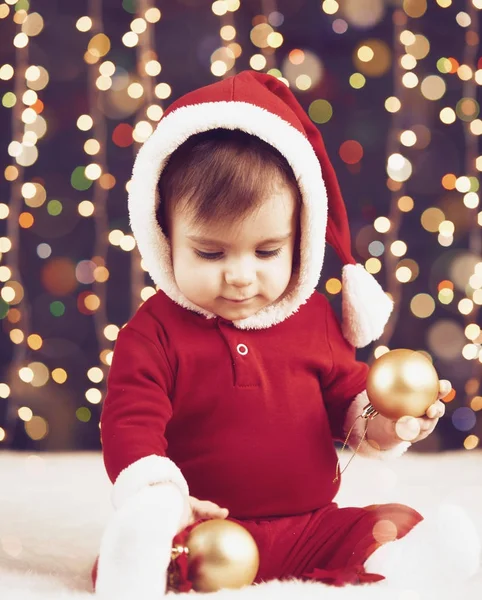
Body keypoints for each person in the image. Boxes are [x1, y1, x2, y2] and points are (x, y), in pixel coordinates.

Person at [92, 71, 480, 599]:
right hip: (206, 531)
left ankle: (429, 556)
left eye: (266, 251)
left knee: (390, 522)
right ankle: (136, 560)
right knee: (156, 549)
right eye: (211, 253)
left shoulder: (314, 320)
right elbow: (130, 426)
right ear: (163, 235)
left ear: (301, 237)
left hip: (310, 526)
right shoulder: (154, 333)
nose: (241, 275)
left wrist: (387, 425)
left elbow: (349, 404)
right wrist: (160, 496)